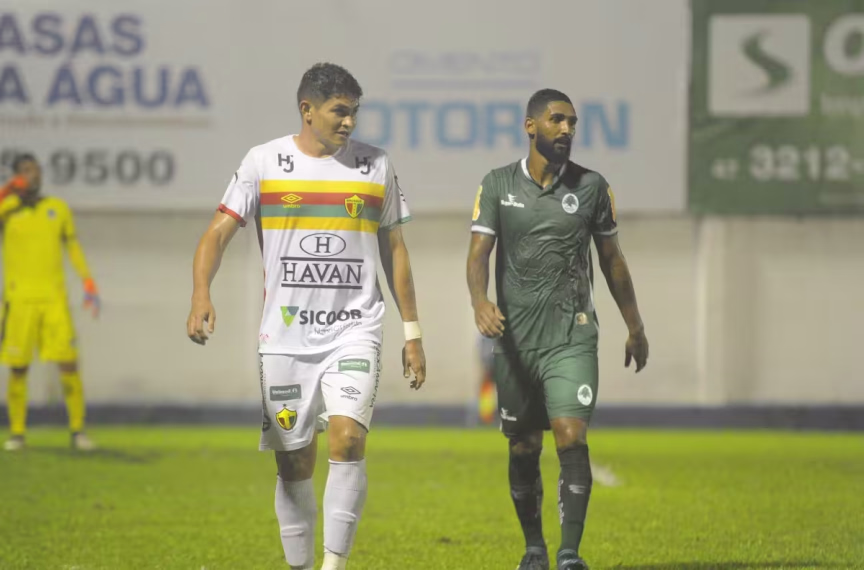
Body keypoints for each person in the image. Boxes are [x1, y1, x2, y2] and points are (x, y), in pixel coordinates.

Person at [186, 62, 426, 570]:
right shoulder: (262, 162)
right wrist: (201, 293)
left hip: (355, 328)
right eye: (339, 111)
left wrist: (412, 331)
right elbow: (216, 233)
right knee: (294, 459)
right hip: (286, 337)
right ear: (307, 109)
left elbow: (395, 250)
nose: (349, 122)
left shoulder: (375, 165)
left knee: (348, 438)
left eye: (354, 112)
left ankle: (333, 565)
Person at [465, 89, 649, 570]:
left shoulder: (592, 187)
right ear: (531, 126)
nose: (567, 129)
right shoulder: (497, 184)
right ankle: (535, 548)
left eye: (572, 122)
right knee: (524, 446)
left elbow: (612, 260)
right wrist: (480, 301)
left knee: (570, 434)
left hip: (572, 336)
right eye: (556, 120)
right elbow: (478, 255)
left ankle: (569, 554)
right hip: (515, 342)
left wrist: (634, 325)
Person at [0, 154, 101, 452]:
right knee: (18, 368)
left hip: (54, 300)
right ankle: (17, 433)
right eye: (26, 171)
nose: (34, 175)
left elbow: (73, 246)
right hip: (19, 301)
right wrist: (7, 192)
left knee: (69, 363)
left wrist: (88, 281)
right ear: (17, 175)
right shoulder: (7, 209)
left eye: (36, 170)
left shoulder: (57, 208)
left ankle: (78, 431)